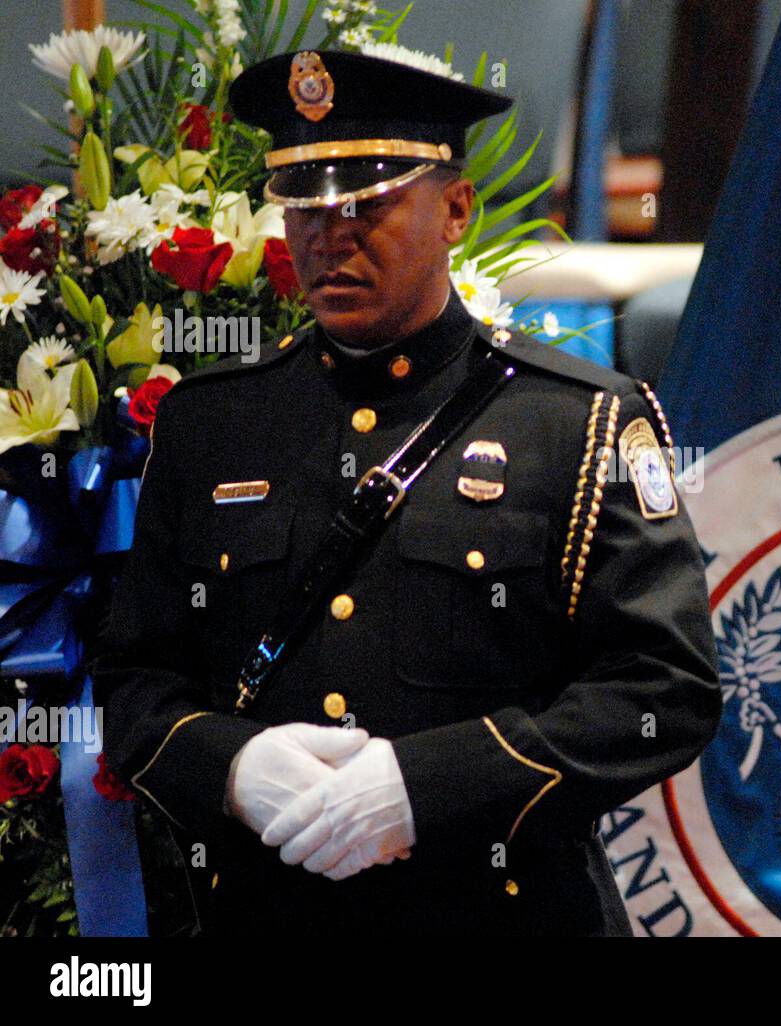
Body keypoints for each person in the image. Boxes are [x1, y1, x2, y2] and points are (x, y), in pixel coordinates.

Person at [89, 49, 721, 936]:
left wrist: (429, 787)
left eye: (369, 201)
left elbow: (664, 690)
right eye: (304, 203)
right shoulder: (213, 427)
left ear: (456, 208)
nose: (330, 234)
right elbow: (134, 681)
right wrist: (233, 767)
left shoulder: (575, 424)